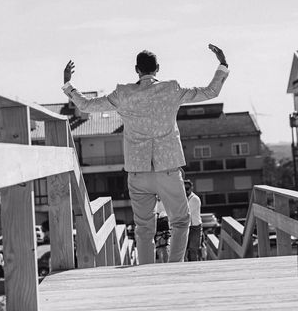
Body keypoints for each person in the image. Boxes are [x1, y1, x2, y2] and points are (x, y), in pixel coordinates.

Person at [62, 44, 229, 264]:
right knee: (180, 221)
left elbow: (85, 105)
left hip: (138, 171)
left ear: (136, 70)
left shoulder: (123, 94)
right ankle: (174, 267)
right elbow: (211, 91)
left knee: (143, 227)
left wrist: (68, 84)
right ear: (158, 68)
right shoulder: (171, 89)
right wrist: (222, 64)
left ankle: (147, 271)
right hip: (168, 169)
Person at [184, 180, 203, 261]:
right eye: (184, 188)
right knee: (184, 250)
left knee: (193, 249)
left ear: (191, 188)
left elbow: (187, 212)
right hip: (186, 226)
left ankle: (194, 265)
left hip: (195, 227)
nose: (186, 190)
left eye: (187, 188)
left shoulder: (195, 199)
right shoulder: (183, 198)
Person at [155, 197, 170, 263]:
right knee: (159, 247)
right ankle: (161, 263)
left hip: (163, 224)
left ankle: (165, 263)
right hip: (157, 224)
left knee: (164, 247)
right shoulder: (154, 201)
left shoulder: (165, 200)